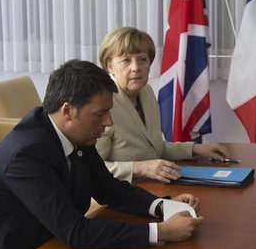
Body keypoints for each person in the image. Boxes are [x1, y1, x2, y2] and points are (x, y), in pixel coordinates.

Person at [0, 60, 204, 249]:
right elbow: (76, 232)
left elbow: (109, 189)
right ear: (67, 111)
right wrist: (160, 232)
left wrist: (162, 206)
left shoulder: (75, 134)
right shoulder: (27, 154)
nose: (108, 123)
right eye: (100, 114)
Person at [95, 27, 228, 184]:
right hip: (118, 195)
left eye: (142, 59)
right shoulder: (103, 105)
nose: (136, 67)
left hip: (152, 187)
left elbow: (152, 149)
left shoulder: (146, 92)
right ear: (110, 66)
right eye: (126, 60)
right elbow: (93, 169)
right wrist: (140, 168)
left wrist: (194, 149)